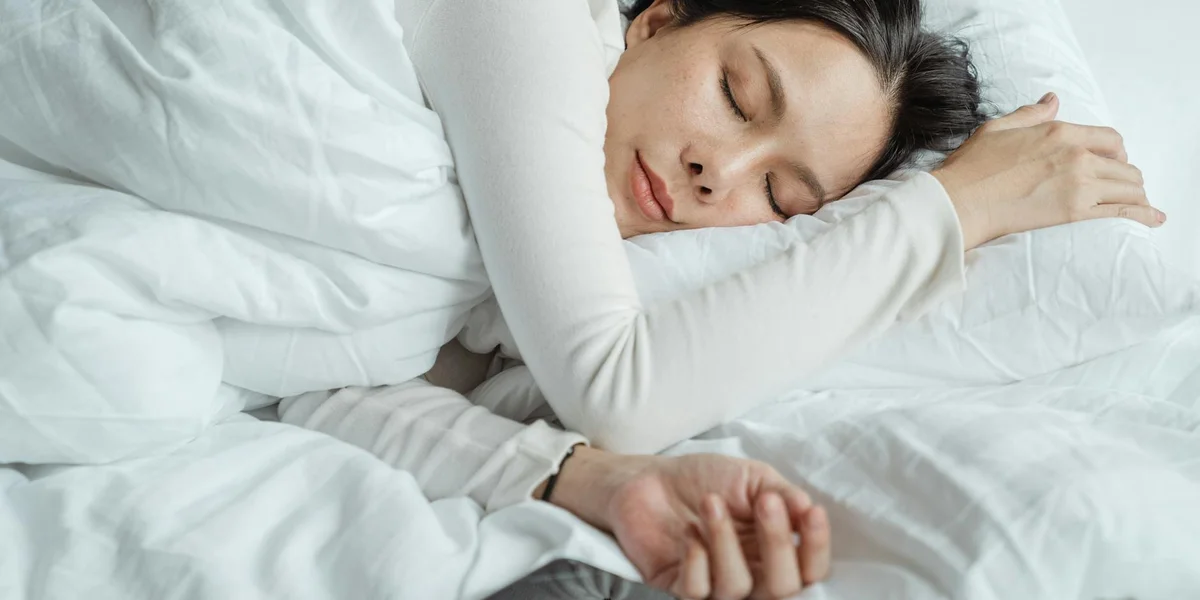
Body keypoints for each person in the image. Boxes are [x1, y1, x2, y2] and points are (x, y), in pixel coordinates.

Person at [285, 0, 1163, 598]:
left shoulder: (493, 292)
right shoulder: (525, 19)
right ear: (658, 20)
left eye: (781, 200)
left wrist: (590, 482)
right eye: (736, 96)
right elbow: (618, 390)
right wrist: (952, 210)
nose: (718, 172)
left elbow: (317, 389)